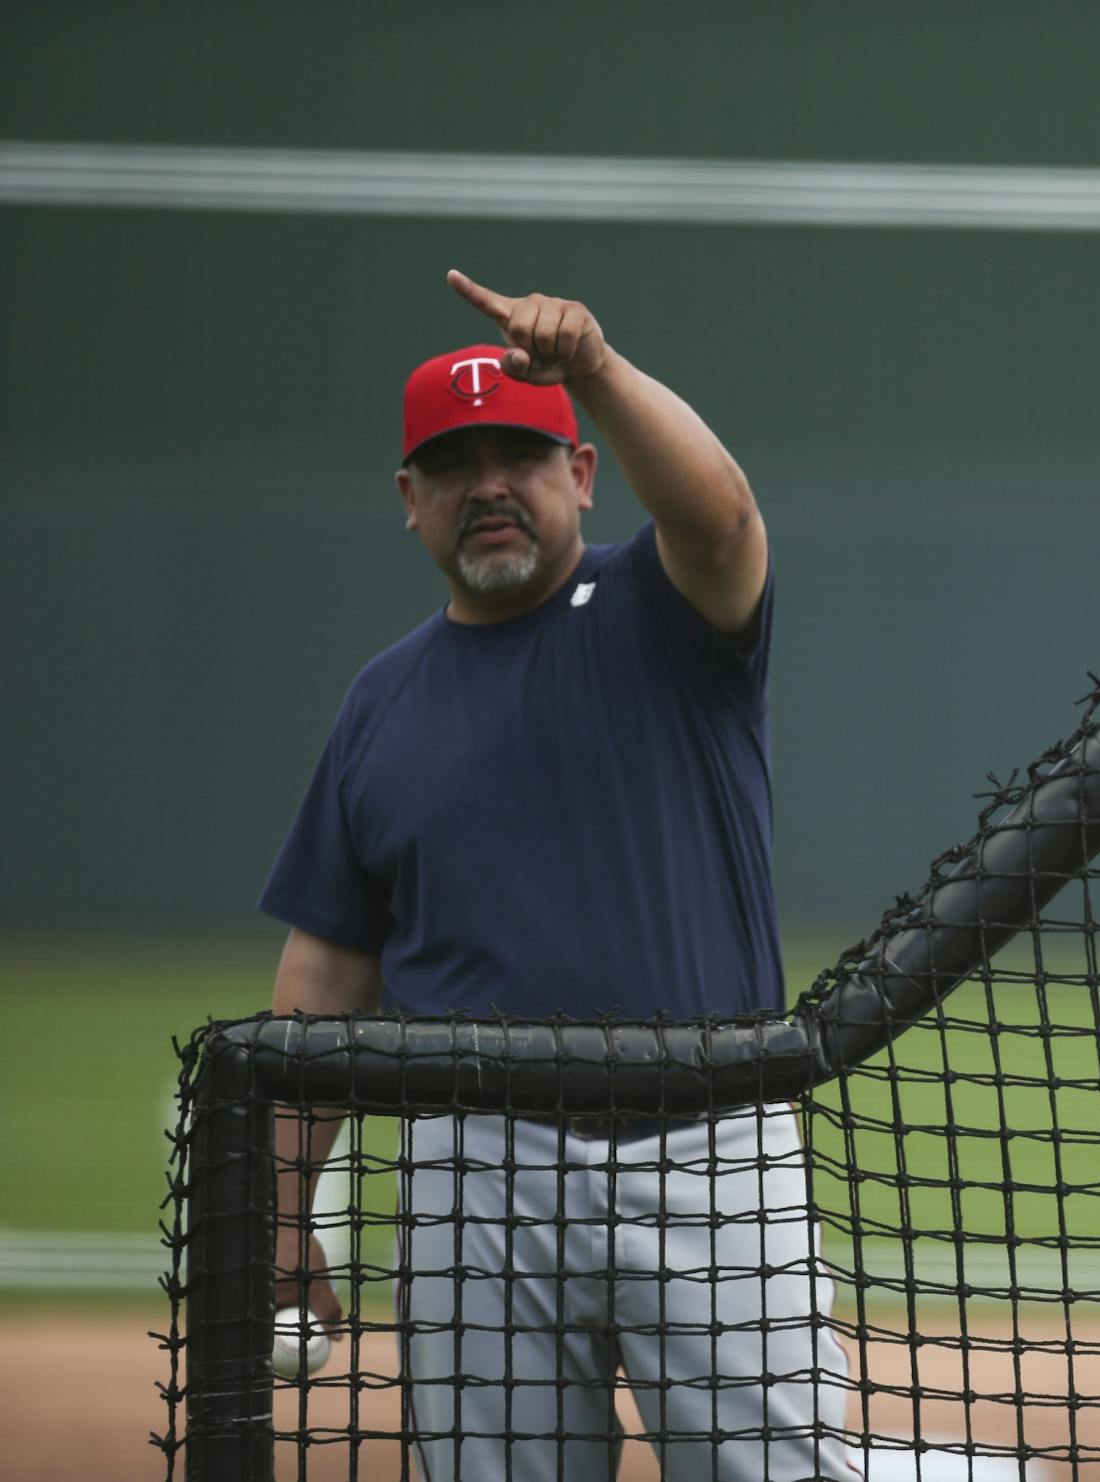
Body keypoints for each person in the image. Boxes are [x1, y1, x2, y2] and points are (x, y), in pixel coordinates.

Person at [259, 270, 859, 1480]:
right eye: (454, 464)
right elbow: (324, 969)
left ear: (581, 475)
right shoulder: (380, 702)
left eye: (522, 455)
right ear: (409, 501)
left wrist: (593, 370)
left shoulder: (664, 608)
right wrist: (279, 1210)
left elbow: (727, 514)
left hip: (706, 1129)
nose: (489, 485)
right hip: (474, 1167)